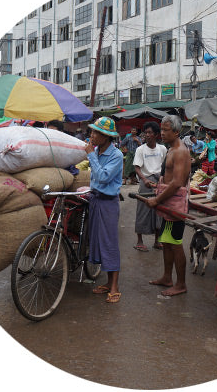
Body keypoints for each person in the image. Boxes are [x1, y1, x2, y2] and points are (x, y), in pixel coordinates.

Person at [146, 115, 191, 297]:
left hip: (175, 205)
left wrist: (156, 200)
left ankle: (180, 284)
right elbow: (170, 178)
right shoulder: (171, 149)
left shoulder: (180, 151)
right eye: (161, 130)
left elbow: (178, 182)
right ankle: (167, 277)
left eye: (166, 130)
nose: (161, 133)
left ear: (177, 132)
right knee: (166, 241)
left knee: (175, 243)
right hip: (168, 202)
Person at [85, 117, 123, 303]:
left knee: (109, 243)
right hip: (96, 200)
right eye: (92, 131)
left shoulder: (116, 155)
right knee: (99, 242)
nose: (92, 135)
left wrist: (91, 155)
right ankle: (108, 283)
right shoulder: (98, 150)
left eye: (96, 132)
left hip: (108, 203)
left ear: (106, 137)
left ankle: (114, 285)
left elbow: (103, 177)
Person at [133, 121, 167, 252]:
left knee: (158, 211)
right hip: (145, 182)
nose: (147, 135)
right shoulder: (140, 149)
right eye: (145, 132)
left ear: (156, 135)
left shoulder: (162, 149)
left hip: (159, 182)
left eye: (150, 132)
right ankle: (139, 241)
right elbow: (137, 167)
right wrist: (144, 179)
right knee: (142, 210)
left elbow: (164, 166)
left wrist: (162, 180)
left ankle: (157, 241)